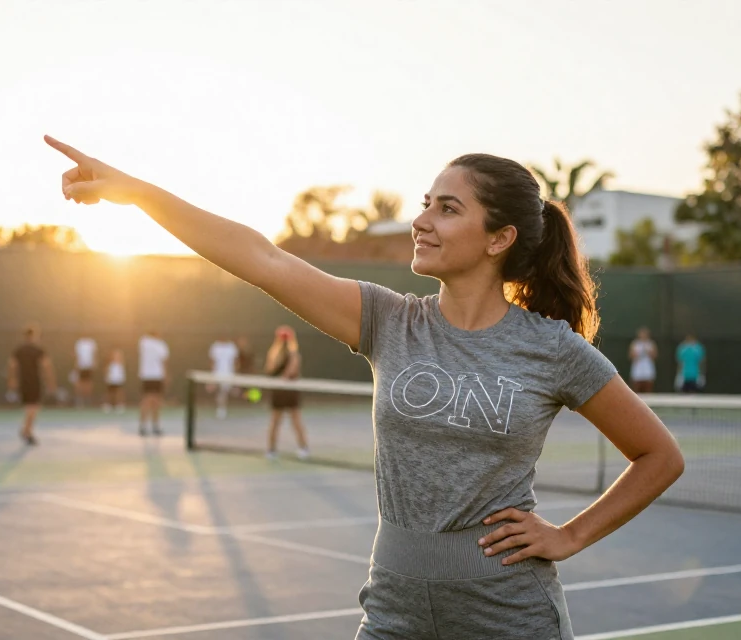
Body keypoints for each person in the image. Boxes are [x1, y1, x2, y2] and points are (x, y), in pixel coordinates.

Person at [47, 136, 684, 639]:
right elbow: (262, 257)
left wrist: (568, 535)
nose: (422, 220)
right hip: (395, 608)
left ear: (500, 238)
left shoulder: (550, 348)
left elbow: (659, 456)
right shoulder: (388, 321)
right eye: (427, 203)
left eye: (447, 208)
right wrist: (135, 193)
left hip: (508, 614)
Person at [264, 325, 309, 461]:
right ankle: (271, 450)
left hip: (290, 392)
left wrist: (283, 378)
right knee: (275, 422)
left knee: (295, 421)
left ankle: (303, 448)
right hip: (278, 392)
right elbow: (269, 369)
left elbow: (291, 372)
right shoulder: (273, 354)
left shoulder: (294, 355)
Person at [8, 325, 56, 446]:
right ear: (34, 336)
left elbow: (12, 366)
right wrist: (51, 383)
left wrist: (12, 380)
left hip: (24, 382)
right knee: (33, 407)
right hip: (34, 382)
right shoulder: (38, 350)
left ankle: (26, 430)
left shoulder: (19, 350)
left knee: (31, 407)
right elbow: (47, 367)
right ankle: (27, 431)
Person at [137, 329, 169, 436]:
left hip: (147, 376)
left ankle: (145, 426)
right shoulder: (161, 345)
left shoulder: (143, 342)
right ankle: (152, 426)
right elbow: (164, 362)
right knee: (154, 401)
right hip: (156, 376)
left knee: (148, 400)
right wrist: (166, 376)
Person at [208, 335, 239, 419]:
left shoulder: (232, 347)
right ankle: (221, 410)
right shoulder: (215, 346)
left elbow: (235, 362)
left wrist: (235, 375)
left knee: (232, 392)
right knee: (221, 392)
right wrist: (212, 376)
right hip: (218, 373)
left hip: (229, 373)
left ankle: (223, 409)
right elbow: (212, 362)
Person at [627, 327, 658, 393]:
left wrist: (648, 352)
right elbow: (630, 355)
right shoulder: (635, 344)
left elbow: (655, 355)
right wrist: (636, 355)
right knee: (636, 385)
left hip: (648, 367)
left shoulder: (651, 344)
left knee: (648, 385)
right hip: (638, 367)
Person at [73, 335, 98, 407]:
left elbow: (94, 354)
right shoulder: (79, 342)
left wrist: (94, 363)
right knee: (79, 383)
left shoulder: (92, 342)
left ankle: (87, 400)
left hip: (89, 366)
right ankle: (79, 400)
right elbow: (75, 355)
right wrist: (76, 365)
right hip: (80, 366)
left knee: (88, 383)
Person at [103, 348, 126, 413]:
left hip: (118, 380)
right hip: (111, 380)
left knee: (119, 392)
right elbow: (106, 371)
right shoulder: (110, 364)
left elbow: (122, 373)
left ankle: (119, 405)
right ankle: (108, 405)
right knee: (110, 393)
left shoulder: (121, 364)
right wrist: (107, 378)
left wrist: (122, 379)